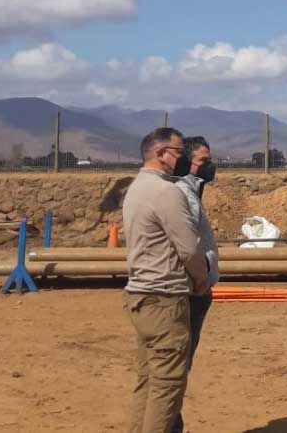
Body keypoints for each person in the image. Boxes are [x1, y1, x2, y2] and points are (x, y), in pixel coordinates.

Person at [123, 127, 210, 433]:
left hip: (142, 297)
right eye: (178, 152)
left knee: (149, 381)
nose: (182, 158)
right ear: (161, 154)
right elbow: (189, 248)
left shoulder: (137, 188)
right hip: (166, 299)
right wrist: (202, 278)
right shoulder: (166, 192)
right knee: (167, 387)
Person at [169, 136, 219, 433]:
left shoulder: (192, 191)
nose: (210, 166)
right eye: (203, 161)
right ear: (187, 163)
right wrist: (200, 278)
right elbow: (187, 246)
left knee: (180, 365)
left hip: (196, 289)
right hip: (191, 290)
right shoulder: (183, 194)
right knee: (177, 366)